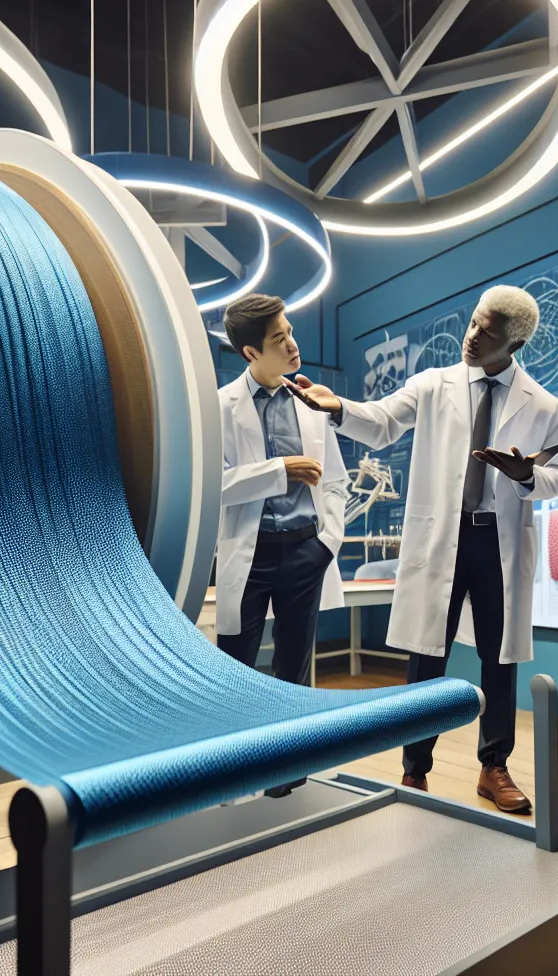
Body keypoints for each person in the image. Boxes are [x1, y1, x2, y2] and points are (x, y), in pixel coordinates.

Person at [288, 285, 558, 813]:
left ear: (514, 344)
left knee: (500, 656)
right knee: (427, 654)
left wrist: (526, 476)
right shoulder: (433, 384)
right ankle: (414, 769)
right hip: (444, 535)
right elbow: (382, 421)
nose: (472, 336)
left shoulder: (543, 404)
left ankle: (494, 766)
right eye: (473, 322)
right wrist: (338, 407)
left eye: (487, 332)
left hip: (498, 540)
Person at [215, 295, 348, 796]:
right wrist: (279, 471)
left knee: (293, 669)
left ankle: (286, 773)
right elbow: (211, 484)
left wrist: (326, 544)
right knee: (235, 668)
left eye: (290, 331)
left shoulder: (310, 403)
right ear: (251, 353)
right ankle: (233, 774)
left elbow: (336, 482)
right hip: (249, 555)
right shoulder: (220, 406)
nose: (293, 345)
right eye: (279, 339)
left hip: (304, 552)